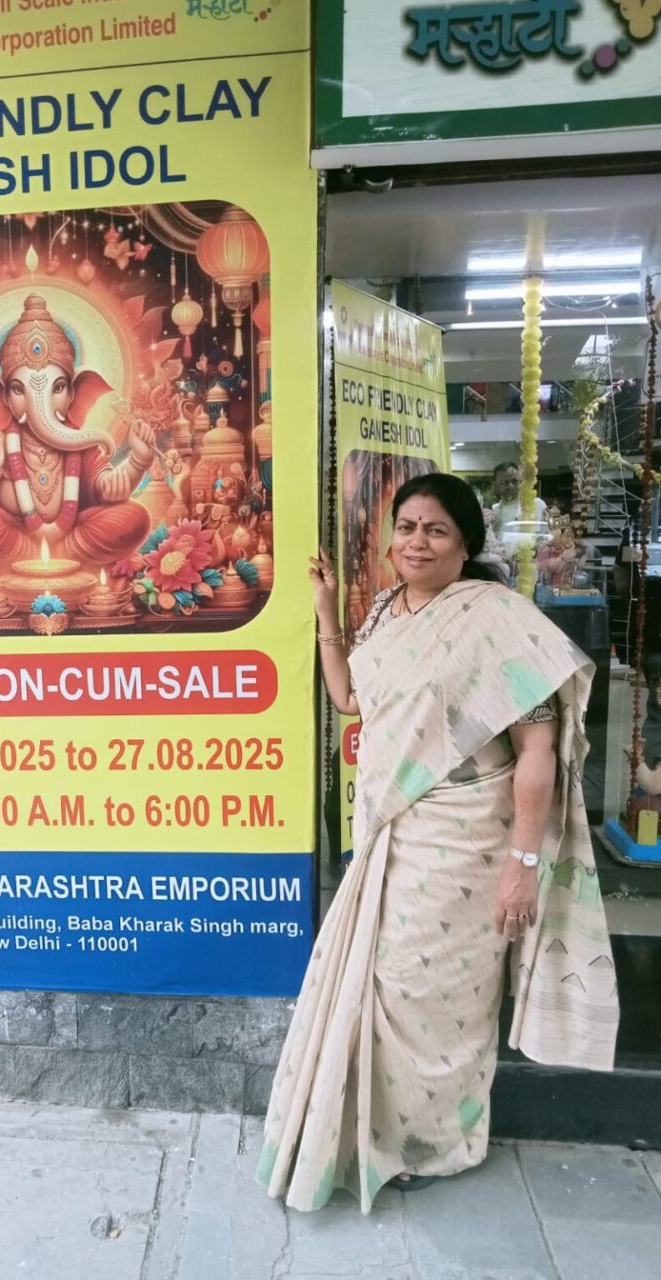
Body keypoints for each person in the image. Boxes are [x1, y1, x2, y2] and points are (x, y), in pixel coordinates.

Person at [257, 473, 618, 1215]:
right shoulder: (386, 610)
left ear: (466, 543)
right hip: (394, 830)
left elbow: (538, 754)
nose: (417, 542)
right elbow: (350, 700)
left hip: (467, 838)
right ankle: (375, 1132)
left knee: (441, 992)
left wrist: (522, 865)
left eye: (436, 530)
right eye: (407, 527)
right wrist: (326, 610)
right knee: (385, 983)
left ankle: (436, 1142)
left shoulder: (500, 620)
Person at [0, 293, 153, 569]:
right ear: (2, 398)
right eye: (18, 389)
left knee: (133, 517)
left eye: (57, 388)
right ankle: (58, 558)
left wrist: (136, 462)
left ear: (75, 395)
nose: (38, 403)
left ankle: (38, 557)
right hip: (13, 532)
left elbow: (104, 486)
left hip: (72, 533)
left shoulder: (81, 444)